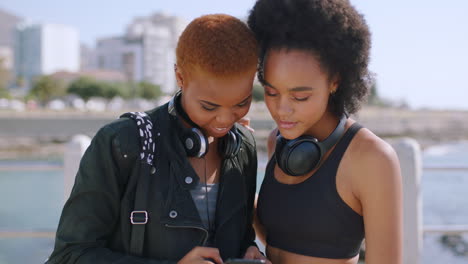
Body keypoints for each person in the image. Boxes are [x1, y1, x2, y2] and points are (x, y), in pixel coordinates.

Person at [46, 14, 268, 264]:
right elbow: (68, 257)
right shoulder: (121, 142)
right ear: (180, 77)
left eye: (242, 103)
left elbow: (241, 237)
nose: (225, 120)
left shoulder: (244, 147)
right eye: (209, 106)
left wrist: (249, 250)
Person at [247, 0, 403, 264]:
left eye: (300, 97)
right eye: (271, 92)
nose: (282, 110)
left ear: (335, 81)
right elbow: (283, 235)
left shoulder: (373, 158)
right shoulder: (279, 141)